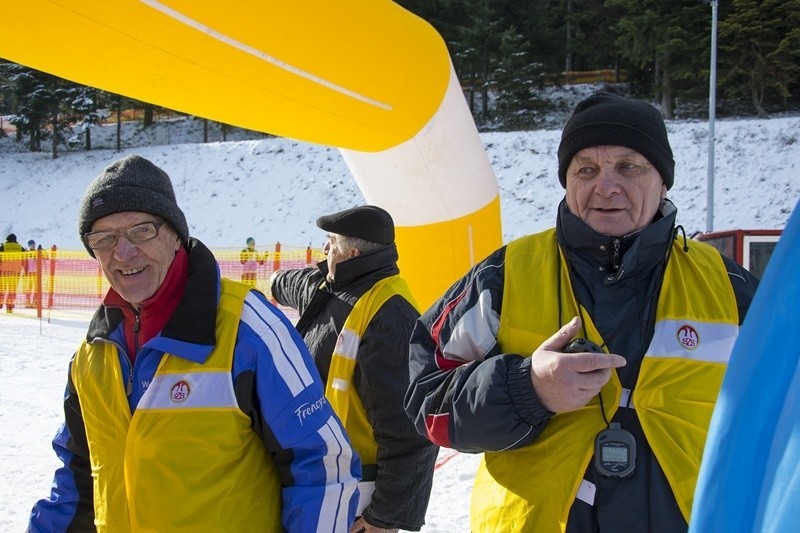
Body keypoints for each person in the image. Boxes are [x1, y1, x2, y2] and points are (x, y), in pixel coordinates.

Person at [404, 92, 760, 532]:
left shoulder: (728, 287)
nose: (605, 186)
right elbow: (425, 396)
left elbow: (783, 415)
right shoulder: (503, 277)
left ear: (663, 180)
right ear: (567, 181)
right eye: (586, 169)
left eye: (628, 167)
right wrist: (525, 390)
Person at [29, 154, 360, 532]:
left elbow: (324, 467)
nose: (123, 252)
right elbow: (77, 480)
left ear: (174, 236)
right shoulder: (92, 356)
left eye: (142, 230)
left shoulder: (248, 331)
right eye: (104, 239)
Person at [270, 205, 439, 533]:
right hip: (322, 480)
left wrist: (384, 517)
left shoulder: (390, 317)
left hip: (359, 496)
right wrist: (276, 281)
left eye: (331, 242)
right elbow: (301, 284)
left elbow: (411, 431)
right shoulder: (336, 287)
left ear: (353, 252)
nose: (324, 249)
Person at [0, 233, 24, 313]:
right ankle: (9, 307)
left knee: (1, 289)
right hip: (16, 272)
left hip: (4, 271)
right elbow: (25, 259)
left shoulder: (3, 246)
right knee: (12, 290)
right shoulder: (20, 248)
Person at [24, 238, 40, 307]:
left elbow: (46, 257)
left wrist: (41, 251)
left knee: (36, 288)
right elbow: (25, 262)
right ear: (29, 245)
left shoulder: (37, 252)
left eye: (34, 244)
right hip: (30, 272)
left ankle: (35, 302)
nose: (33, 246)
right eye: (31, 245)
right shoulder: (27, 253)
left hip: (36, 272)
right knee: (29, 287)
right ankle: (28, 302)